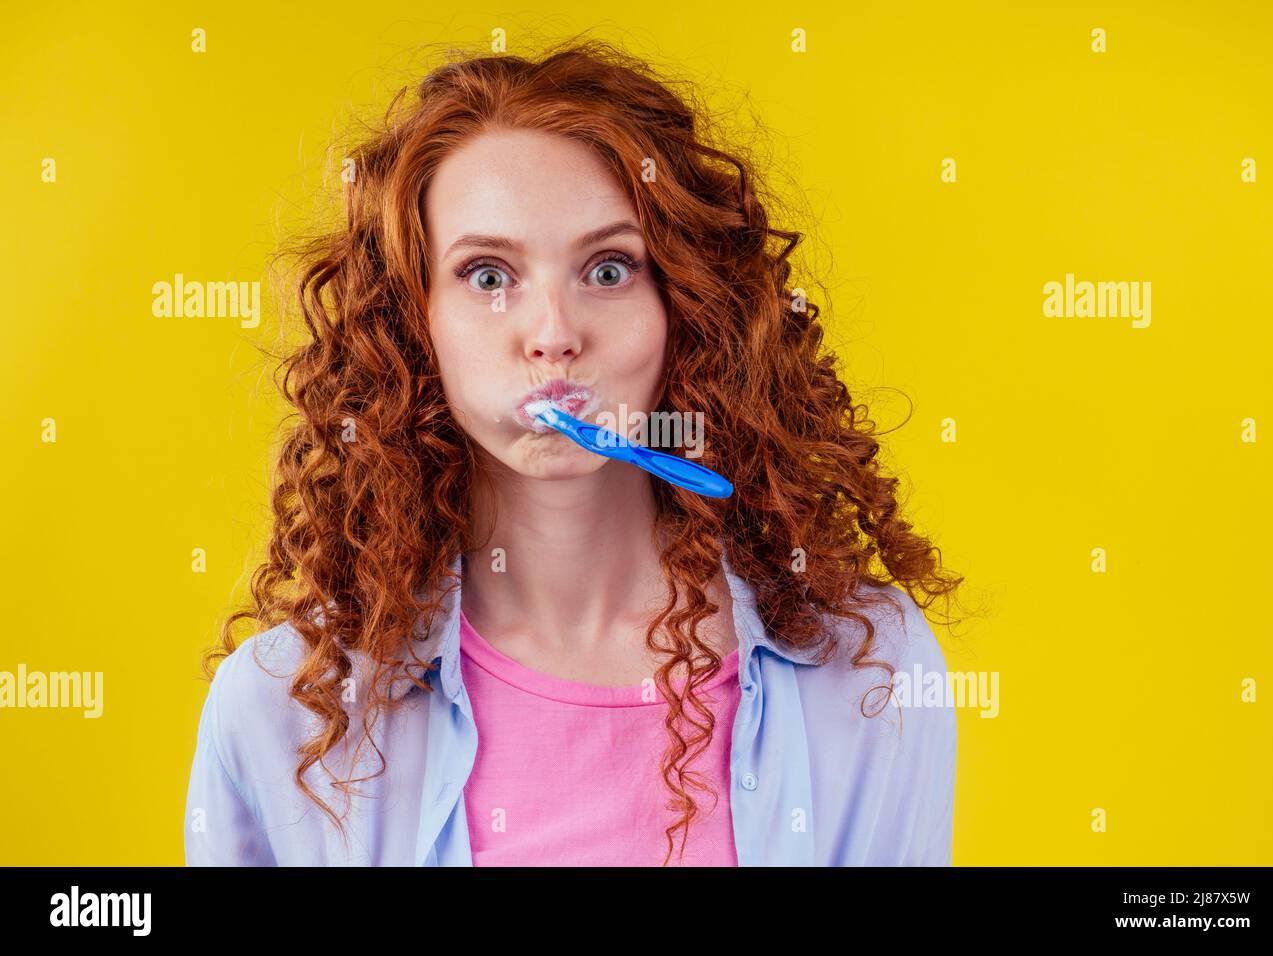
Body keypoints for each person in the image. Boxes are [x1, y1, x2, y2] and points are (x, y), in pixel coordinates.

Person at [184, 38, 964, 867]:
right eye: (488, 277)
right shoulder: (286, 713)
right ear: (415, 327)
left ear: (685, 309)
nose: (554, 336)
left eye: (607, 270)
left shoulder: (871, 671)